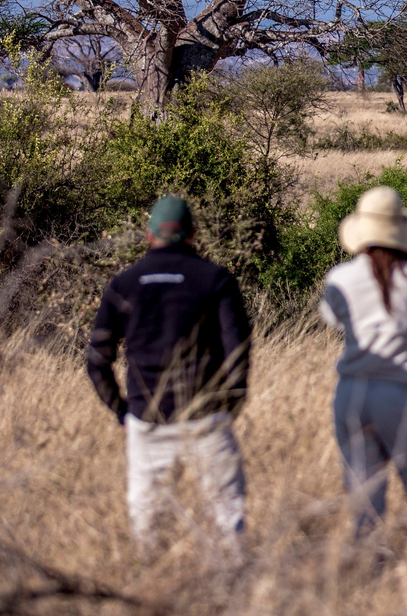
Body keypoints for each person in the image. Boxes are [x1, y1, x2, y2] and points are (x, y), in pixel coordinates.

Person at [86, 195, 251, 551]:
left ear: (149, 236)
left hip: (148, 420)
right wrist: (230, 404)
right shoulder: (216, 280)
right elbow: (238, 350)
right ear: (193, 234)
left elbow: (97, 361)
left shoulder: (124, 284)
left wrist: (123, 412)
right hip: (206, 416)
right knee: (227, 522)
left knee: (148, 531)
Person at [320, 186, 407, 535]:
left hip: (350, 393)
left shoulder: (341, 277)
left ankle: (367, 570)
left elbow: (333, 318)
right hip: (400, 394)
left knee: (364, 499)